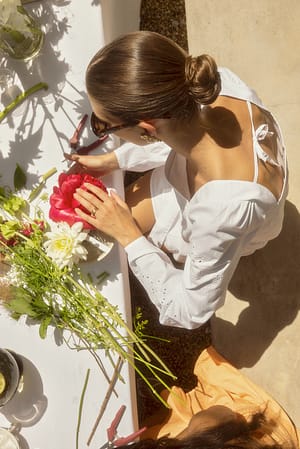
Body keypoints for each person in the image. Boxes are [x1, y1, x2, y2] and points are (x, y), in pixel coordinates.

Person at [70, 31, 288, 329]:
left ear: (146, 126)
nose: (103, 131)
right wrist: (112, 161)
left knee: (95, 244)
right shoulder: (213, 86)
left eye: (103, 125)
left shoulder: (221, 209)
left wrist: (129, 237)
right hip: (210, 193)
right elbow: (176, 136)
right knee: (99, 221)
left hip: (226, 217)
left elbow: (189, 311)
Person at [113, 346, 299, 449]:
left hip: (209, 431)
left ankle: (161, 407)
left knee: (161, 425)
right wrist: (185, 435)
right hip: (242, 417)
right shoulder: (208, 432)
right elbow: (224, 414)